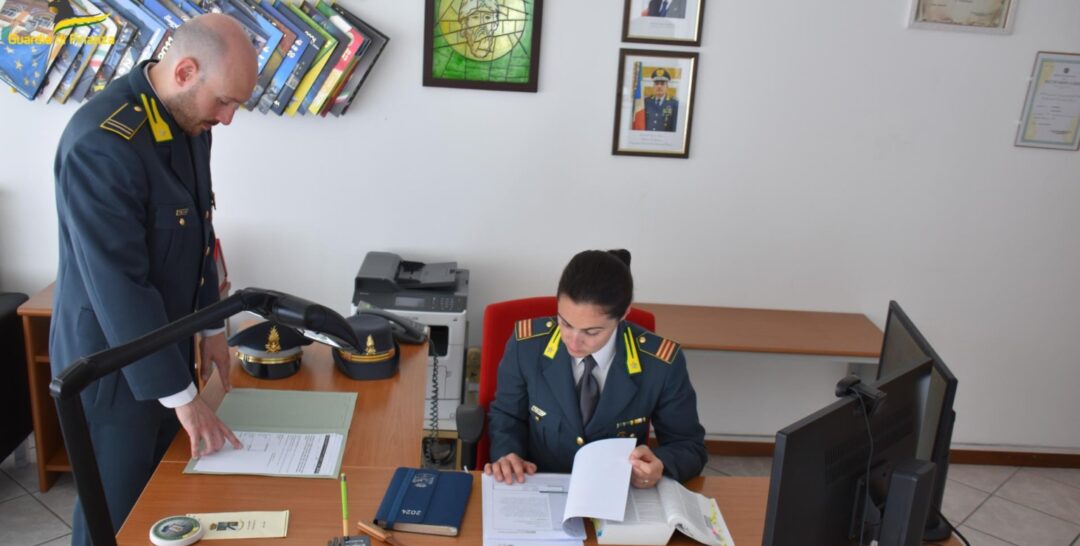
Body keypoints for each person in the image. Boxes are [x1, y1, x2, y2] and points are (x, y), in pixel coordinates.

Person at [50, 13, 258, 546]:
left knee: (166, 507)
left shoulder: (187, 121)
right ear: (185, 71)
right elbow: (120, 285)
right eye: (225, 102)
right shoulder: (102, 142)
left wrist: (212, 328)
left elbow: (199, 233)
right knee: (115, 516)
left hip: (165, 351)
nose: (228, 119)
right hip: (111, 367)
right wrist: (183, 397)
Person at [485, 250, 707, 488]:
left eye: (591, 332)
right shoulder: (527, 347)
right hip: (539, 485)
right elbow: (507, 415)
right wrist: (507, 454)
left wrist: (660, 464)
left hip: (616, 492)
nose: (573, 341)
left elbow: (689, 446)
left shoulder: (660, 364)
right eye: (565, 323)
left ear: (624, 313)